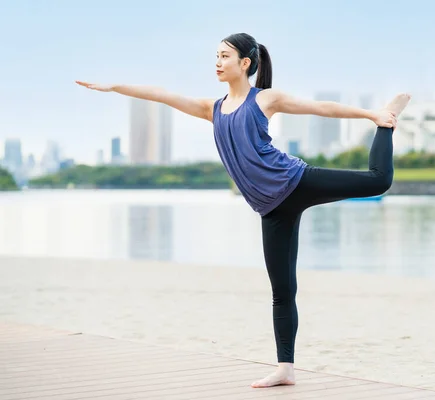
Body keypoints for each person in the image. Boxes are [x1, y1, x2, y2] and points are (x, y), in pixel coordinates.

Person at [76, 32, 411, 389]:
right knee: (282, 290)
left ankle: (387, 120)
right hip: (271, 209)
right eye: (215, 57)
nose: (217, 63)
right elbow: (163, 95)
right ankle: (285, 368)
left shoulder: (265, 99)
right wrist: (115, 87)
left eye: (224, 56)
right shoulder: (212, 108)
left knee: (378, 181)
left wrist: (371, 113)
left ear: (245, 63)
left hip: (296, 181)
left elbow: (323, 108)